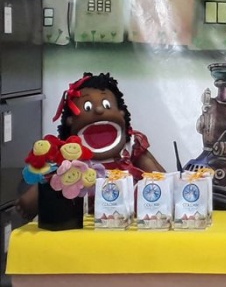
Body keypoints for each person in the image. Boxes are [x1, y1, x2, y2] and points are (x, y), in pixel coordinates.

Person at [17, 72, 166, 220]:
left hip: (127, 219)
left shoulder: (131, 145)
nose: (99, 110)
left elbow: (160, 177)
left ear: (121, 112)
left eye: (107, 105)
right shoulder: (70, 154)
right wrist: (30, 201)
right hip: (84, 221)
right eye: (87, 107)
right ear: (70, 121)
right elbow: (49, 180)